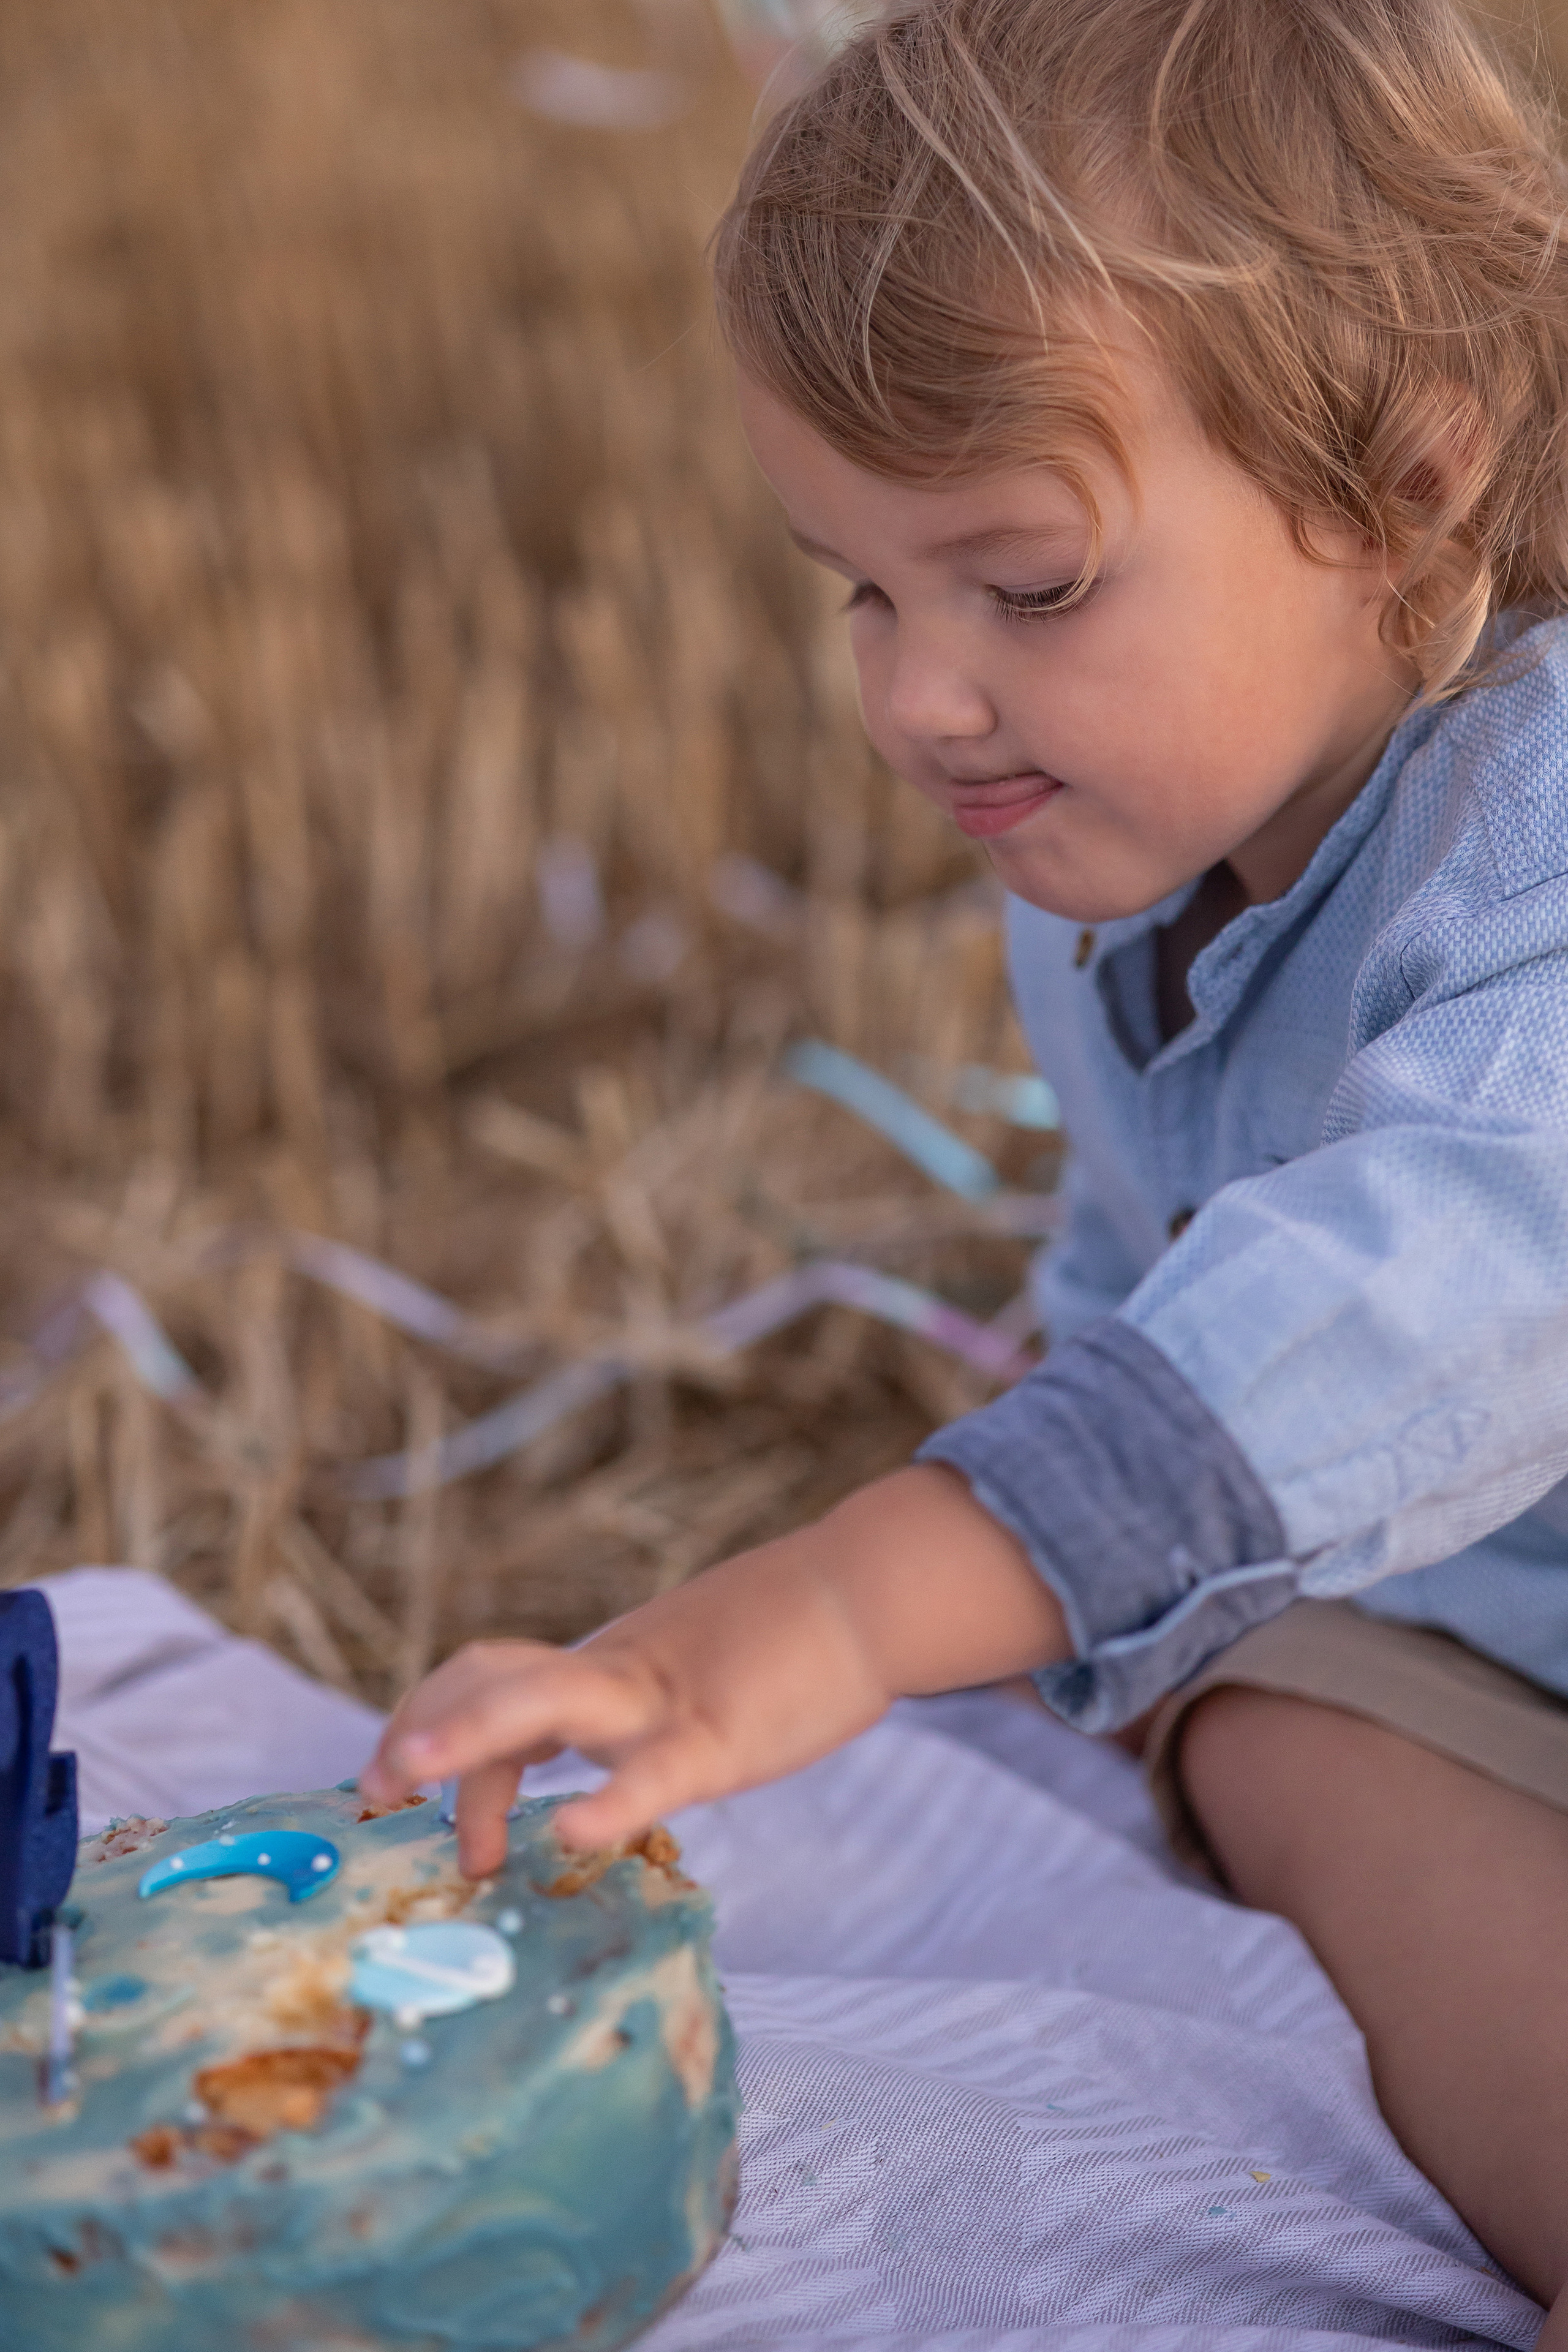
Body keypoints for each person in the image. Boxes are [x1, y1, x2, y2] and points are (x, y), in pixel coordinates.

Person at [363, 0, 1568, 2326]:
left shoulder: (1537, 843)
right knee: (1246, 1698)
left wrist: (829, 1616)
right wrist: (1029, 1556)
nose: (919, 695)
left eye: (1023, 587)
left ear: (1410, 490)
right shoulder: (1135, 867)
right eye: (860, 585)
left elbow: (1426, 1296)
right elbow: (1134, 1312)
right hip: (1475, 1635)